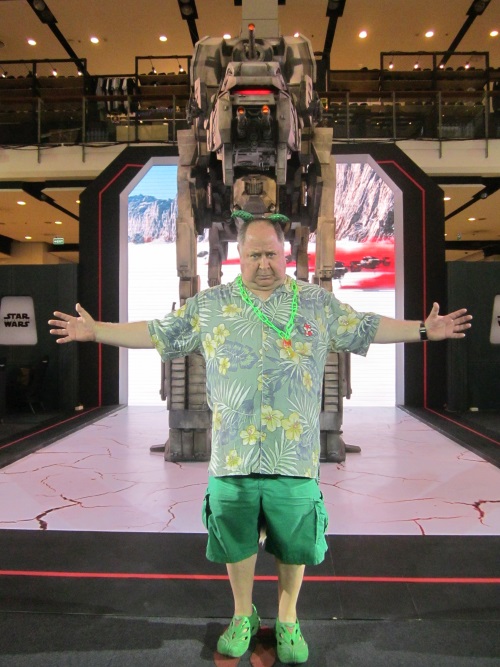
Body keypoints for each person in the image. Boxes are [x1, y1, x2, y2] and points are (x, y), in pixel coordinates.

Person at [49, 216, 472, 664]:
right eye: (254, 255)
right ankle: (242, 614)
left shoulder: (316, 303)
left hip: (294, 455)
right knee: (236, 542)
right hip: (233, 454)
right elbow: (157, 333)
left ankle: (288, 619)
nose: (264, 264)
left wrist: (423, 330)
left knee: (295, 543)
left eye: (272, 254)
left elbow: (366, 327)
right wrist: (97, 331)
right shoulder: (210, 305)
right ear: (240, 255)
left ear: (285, 254)